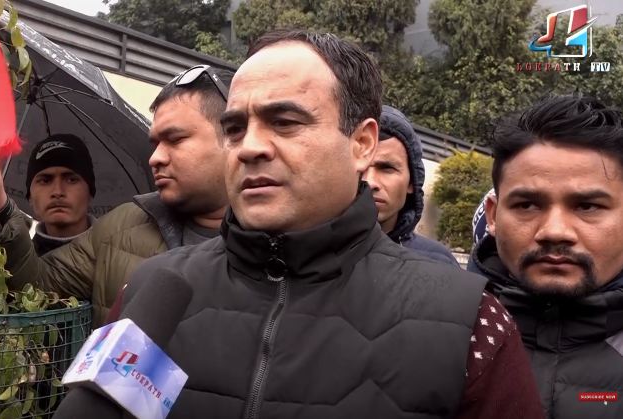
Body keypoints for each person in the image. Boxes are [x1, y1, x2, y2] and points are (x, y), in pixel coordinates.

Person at [120, 30, 543, 419]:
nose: (249, 147)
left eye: (284, 122)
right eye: (234, 128)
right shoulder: (149, 292)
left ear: (362, 144)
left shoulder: (470, 322)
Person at [0, 65, 234, 325]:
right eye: (155, 143)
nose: (155, 157)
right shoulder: (120, 228)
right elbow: (35, 289)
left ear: (234, 136)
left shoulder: (262, 241)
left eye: (175, 139)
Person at [468, 95, 623, 419]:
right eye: (527, 205)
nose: (554, 231)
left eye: (587, 206)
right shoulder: (433, 335)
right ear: (493, 216)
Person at [364, 105, 458, 265]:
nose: (370, 182)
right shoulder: (318, 253)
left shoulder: (438, 263)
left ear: (411, 182)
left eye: (387, 168)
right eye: (361, 167)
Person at [24, 134, 96, 255]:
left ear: (90, 192)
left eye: (71, 180)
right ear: (30, 197)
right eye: (45, 181)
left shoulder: (122, 257)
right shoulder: (15, 263)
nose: (57, 192)